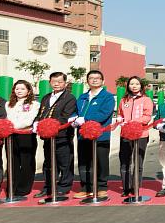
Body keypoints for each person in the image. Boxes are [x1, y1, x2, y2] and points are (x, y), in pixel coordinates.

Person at [33, 72, 77, 198]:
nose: (56, 84)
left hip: (62, 135)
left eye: (60, 81)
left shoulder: (70, 97)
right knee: (48, 163)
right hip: (47, 136)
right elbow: (41, 113)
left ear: (65, 83)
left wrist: (49, 125)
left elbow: (65, 116)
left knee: (64, 162)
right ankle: (48, 187)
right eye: (54, 81)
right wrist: (37, 122)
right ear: (50, 82)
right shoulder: (46, 97)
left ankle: (63, 187)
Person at [72, 71, 115, 199]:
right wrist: (74, 118)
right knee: (84, 162)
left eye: (97, 78)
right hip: (82, 135)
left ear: (103, 81)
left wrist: (85, 119)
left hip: (100, 135)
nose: (94, 80)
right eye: (91, 78)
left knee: (101, 161)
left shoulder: (107, 97)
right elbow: (76, 111)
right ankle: (86, 187)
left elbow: (104, 114)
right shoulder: (82, 97)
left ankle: (101, 187)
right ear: (87, 80)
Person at [117, 76, 154, 197]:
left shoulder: (146, 99)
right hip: (125, 134)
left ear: (141, 86)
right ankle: (126, 187)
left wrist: (134, 122)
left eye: (137, 84)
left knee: (138, 162)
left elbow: (147, 116)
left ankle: (135, 186)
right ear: (128, 86)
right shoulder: (124, 100)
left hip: (141, 134)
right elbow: (120, 114)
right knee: (124, 161)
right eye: (131, 84)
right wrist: (120, 119)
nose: (134, 86)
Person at [5, 80, 39, 197]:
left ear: (28, 91)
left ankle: (24, 188)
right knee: (13, 161)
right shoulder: (8, 103)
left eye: (22, 89)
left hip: (26, 135)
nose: (19, 91)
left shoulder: (34, 104)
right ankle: (12, 186)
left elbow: (29, 120)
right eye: (17, 89)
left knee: (26, 161)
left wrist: (11, 127)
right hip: (11, 136)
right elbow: (7, 118)